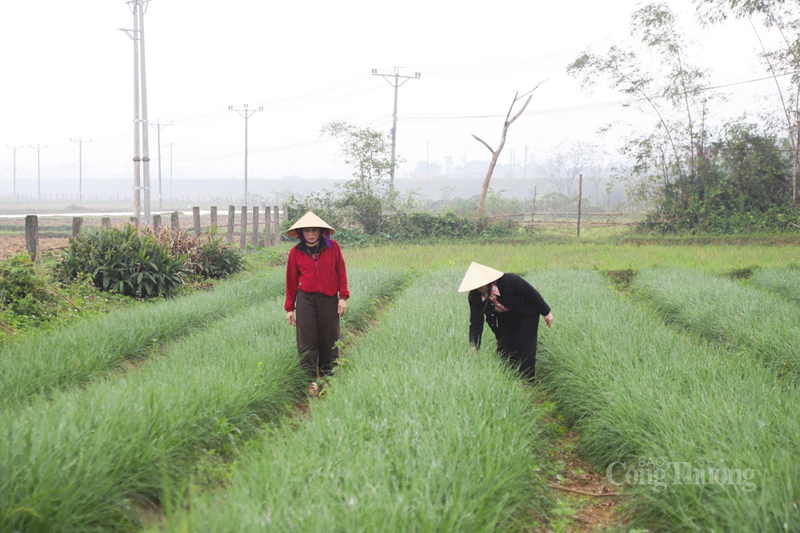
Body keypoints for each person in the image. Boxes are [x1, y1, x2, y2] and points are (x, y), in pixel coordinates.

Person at [285, 211, 349, 395]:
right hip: (306, 300)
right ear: (301, 233)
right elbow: (291, 281)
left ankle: (329, 376)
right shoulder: (295, 252)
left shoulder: (333, 247)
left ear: (321, 232)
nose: (311, 234)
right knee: (307, 339)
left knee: (330, 336)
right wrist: (290, 307)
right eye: (307, 231)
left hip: (329, 299)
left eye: (314, 230)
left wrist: (343, 297)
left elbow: (341, 272)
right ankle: (310, 379)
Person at [458, 262, 553, 380]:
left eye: (481, 286)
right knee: (504, 345)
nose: (480, 289)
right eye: (477, 287)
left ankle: (527, 380)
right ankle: (509, 378)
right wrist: (474, 345)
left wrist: (546, 313)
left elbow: (532, 293)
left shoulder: (509, 280)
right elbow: (476, 322)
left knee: (525, 344)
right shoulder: (475, 297)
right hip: (505, 315)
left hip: (526, 312)